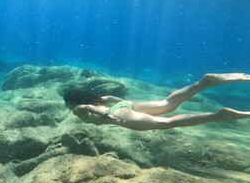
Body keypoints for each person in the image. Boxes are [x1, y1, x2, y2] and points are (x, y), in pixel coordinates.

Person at [64, 73, 250, 131]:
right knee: (167, 103)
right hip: (126, 105)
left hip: (118, 114)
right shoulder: (99, 99)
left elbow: (85, 107)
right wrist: (120, 104)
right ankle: (204, 82)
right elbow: (111, 99)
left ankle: (217, 116)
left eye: (68, 104)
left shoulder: (78, 109)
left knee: (168, 122)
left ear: (72, 103)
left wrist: (107, 115)